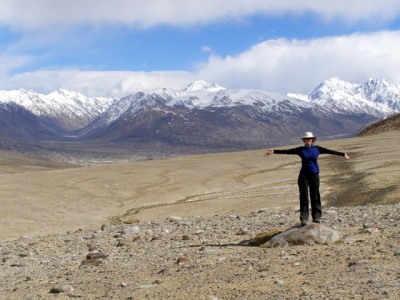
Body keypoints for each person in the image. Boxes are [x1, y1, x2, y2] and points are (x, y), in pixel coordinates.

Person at [265, 132, 350, 226]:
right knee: (304, 197)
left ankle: (316, 217)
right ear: (304, 140)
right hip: (303, 175)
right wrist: (274, 151)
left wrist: (343, 154)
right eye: (306, 139)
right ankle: (304, 218)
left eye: (309, 139)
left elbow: (330, 151)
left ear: (312, 140)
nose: (308, 141)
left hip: (314, 174)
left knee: (315, 196)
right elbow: (288, 151)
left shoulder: (317, 149)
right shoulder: (300, 150)